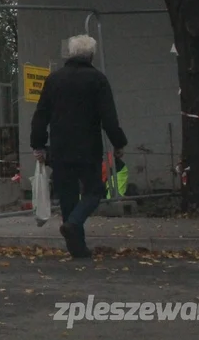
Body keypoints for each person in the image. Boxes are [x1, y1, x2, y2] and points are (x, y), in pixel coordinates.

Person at [30, 34, 127, 258]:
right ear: (91, 55)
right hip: (88, 148)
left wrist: (39, 144)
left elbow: (40, 115)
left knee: (68, 197)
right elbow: (109, 118)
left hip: (60, 148)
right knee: (94, 191)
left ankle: (77, 248)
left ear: (70, 54)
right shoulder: (98, 80)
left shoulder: (53, 80)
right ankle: (74, 224)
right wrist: (118, 142)